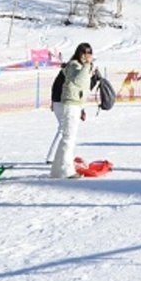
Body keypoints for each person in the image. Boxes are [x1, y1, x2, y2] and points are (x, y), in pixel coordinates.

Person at [51, 43, 96, 179]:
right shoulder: (73, 65)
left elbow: (85, 86)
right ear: (79, 53)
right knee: (68, 138)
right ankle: (66, 170)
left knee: (67, 137)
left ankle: (57, 170)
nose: (86, 55)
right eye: (84, 52)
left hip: (76, 104)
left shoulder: (81, 67)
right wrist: (88, 66)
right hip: (70, 104)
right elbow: (78, 81)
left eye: (89, 52)